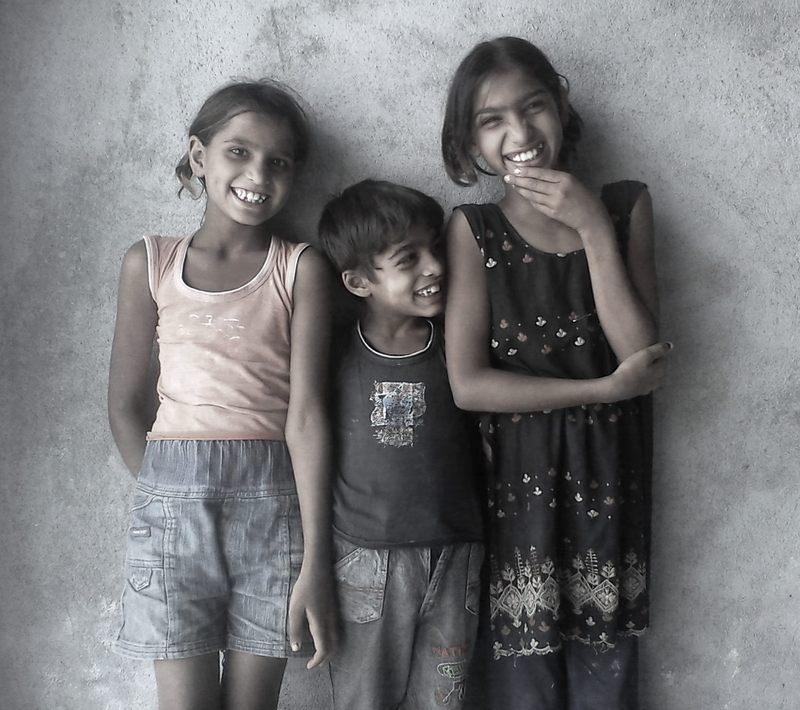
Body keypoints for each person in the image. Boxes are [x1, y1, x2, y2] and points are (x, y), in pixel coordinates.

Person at [440, 37, 672, 709]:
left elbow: (643, 355)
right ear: (471, 143)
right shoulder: (474, 231)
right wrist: (601, 390)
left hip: (609, 498)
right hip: (517, 506)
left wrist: (594, 227)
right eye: (491, 120)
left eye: (533, 105)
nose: (518, 132)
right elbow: (469, 385)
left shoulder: (625, 208)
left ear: (562, 104)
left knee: (607, 687)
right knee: (523, 690)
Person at [108, 79, 335, 710]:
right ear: (199, 155)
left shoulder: (301, 268)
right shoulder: (148, 262)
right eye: (238, 151)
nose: (257, 172)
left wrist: (316, 558)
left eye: (278, 161)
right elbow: (126, 405)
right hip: (170, 509)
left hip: (274, 508)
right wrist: (165, 492)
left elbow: (309, 416)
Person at [317, 180, 484, 710]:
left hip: (457, 557)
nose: (434, 266)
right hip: (367, 562)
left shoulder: (457, 346)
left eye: (435, 247)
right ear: (359, 281)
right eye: (408, 259)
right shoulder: (336, 355)